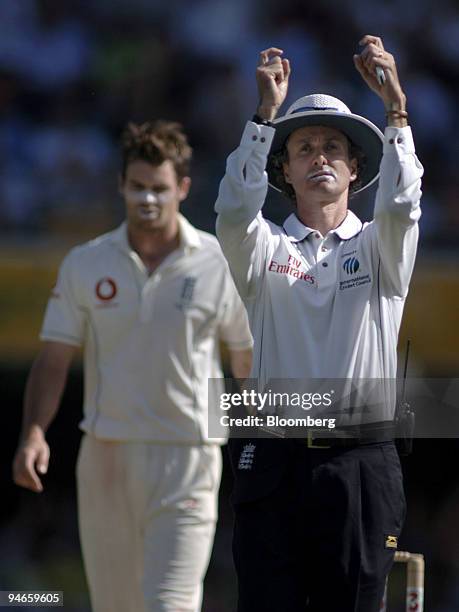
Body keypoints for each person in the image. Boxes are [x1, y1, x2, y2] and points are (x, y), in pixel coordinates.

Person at [215, 35, 423, 611]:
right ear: (284, 169)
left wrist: (396, 108)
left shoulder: (382, 249)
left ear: (356, 168)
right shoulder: (263, 248)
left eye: (333, 147)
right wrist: (264, 119)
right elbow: (233, 210)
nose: (321, 157)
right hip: (273, 460)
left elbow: (404, 204)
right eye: (304, 148)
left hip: (360, 462)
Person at [13, 120, 253, 612]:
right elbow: (55, 356)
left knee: (171, 605)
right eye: (138, 187)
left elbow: (245, 358)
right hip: (106, 455)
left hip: (188, 455)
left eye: (159, 189)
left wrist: (264, 442)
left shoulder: (218, 261)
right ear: (121, 185)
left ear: (183, 188)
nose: (148, 200)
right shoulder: (86, 262)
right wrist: (34, 433)